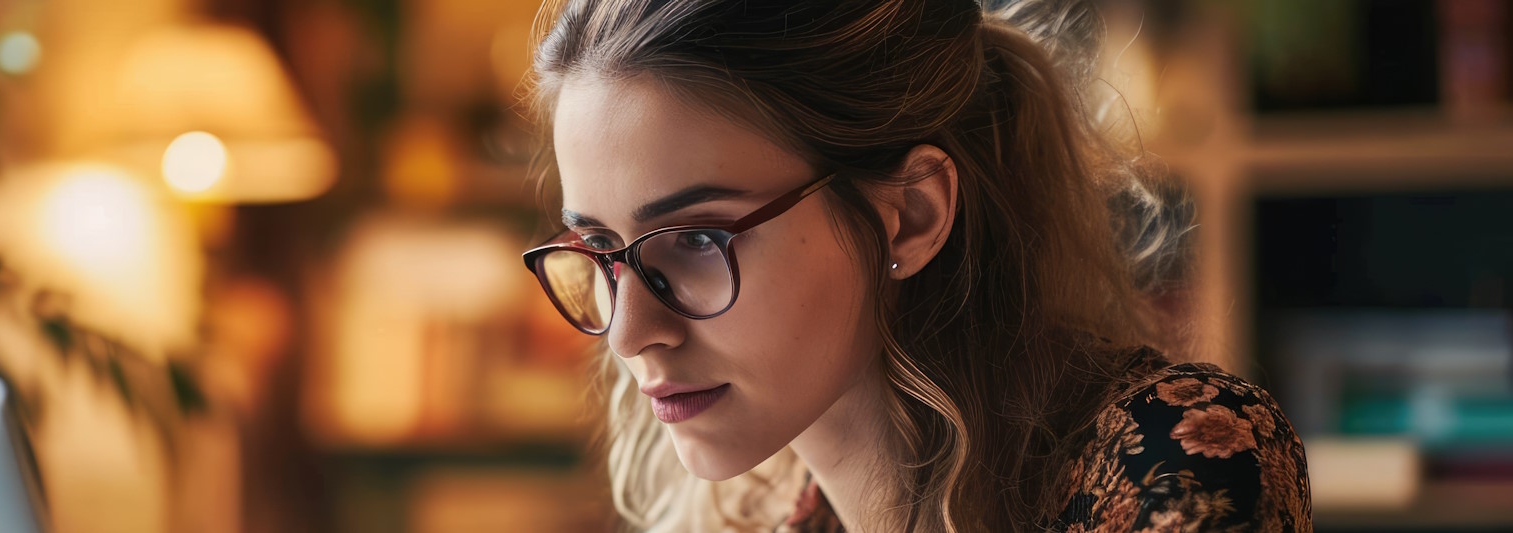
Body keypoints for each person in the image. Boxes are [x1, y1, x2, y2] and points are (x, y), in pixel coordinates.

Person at [514, 0, 1311, 531]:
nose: (628, 333)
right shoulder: (775, 515)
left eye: (695, 239)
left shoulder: (1174, 454)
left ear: (913, 212)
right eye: (599, 252)